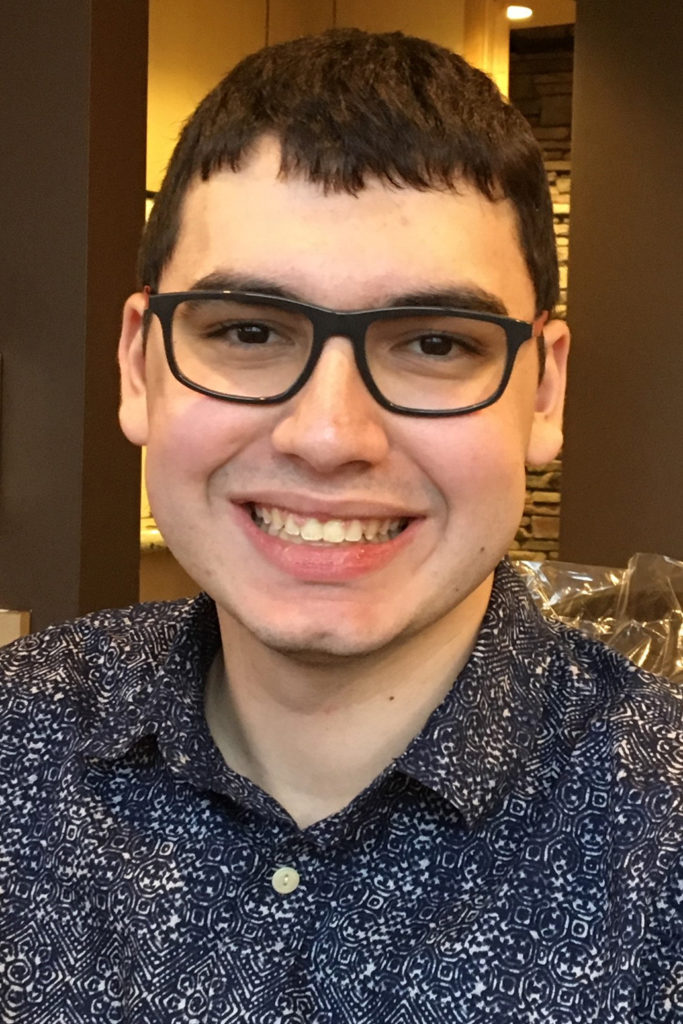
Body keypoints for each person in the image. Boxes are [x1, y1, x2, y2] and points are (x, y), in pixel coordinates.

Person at [1, 27, 681, 1024]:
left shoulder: (658, 849)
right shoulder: (18, 743)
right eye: (246, 330)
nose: (327, 436)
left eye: (435, 342)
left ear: (544, 391)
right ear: (138, 364)